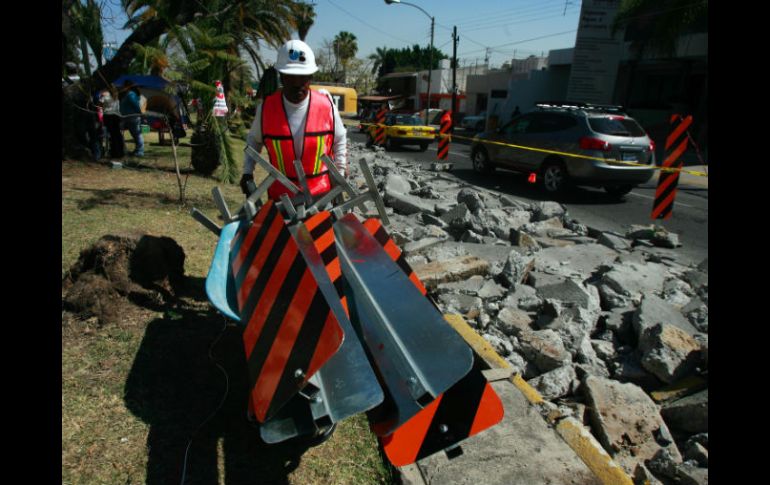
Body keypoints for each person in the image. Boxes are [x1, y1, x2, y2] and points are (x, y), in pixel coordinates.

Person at [240, 40, 347, 201]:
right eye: (291, 78)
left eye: (303, 78)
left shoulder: (326, 105)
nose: (297, 84)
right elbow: (253, 141)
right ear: (281, 77)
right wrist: (247, 172)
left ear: (310, 76)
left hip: (320, 196)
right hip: (281, 198)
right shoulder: (267, 108)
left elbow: (340, 138)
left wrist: (341, 168)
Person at [120, 80, 145, 157]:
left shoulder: (131, 94)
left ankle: (140, 151)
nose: (122, 87)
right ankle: (137, 150)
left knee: (137, 134)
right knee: (135, 134)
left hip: (133, 117)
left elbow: (136, 105)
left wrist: (140, 113)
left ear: (127, 87)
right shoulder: (128, 94)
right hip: (127, 117)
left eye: (123, 86)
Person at [99, 85, 125, 158]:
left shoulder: (105, 95)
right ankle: (119, 152)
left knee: (112, 135)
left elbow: (100, 104)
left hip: (108, 116)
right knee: (117, 135)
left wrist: (101, 96)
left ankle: (115, 153)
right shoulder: (116, 95)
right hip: (116, 116)